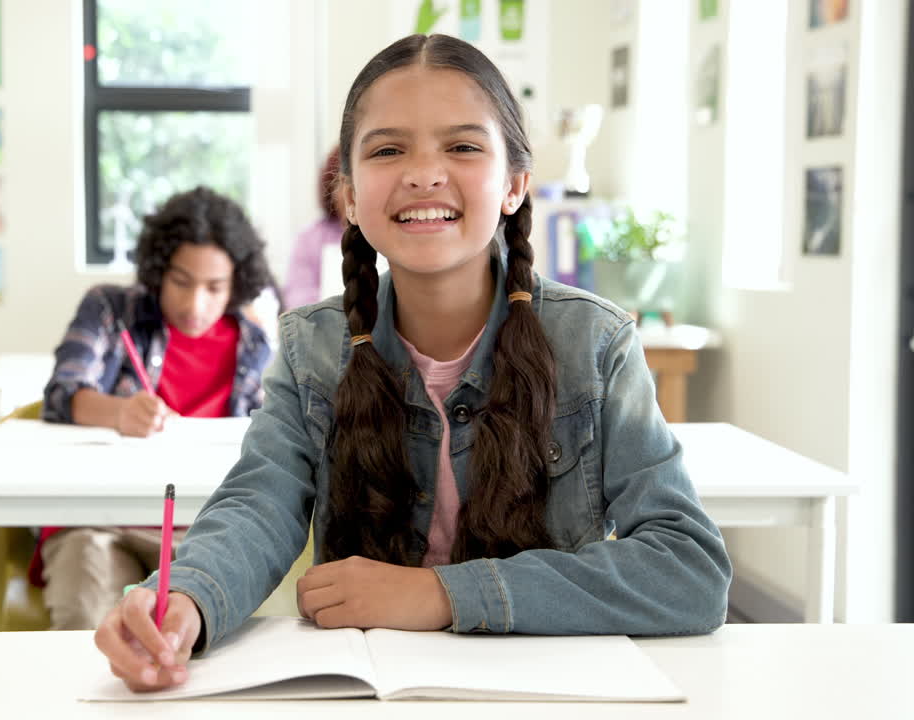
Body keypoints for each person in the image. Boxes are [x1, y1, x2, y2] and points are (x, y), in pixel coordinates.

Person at [95, 34, 732, 691]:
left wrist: (441, 594)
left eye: (461, 146)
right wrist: (186, 600)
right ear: (345, 193)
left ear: (515, 183)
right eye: (388, 148)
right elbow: (259, 504)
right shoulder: (315, 349)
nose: (424, 173)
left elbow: (687, 570)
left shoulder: (594, 344)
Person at [34, 186, 277, 630]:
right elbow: (60, 394)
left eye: (214, 288)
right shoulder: (112, 308)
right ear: (159, 270)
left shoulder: (254, 342)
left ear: (237, 285)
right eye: (181, 282)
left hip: (201, 525)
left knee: (208, 630)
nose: (194, 304)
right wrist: (118, 413)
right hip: (99, 517)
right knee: (88, 620)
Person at [281, 147, 344, 309]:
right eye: (342, 183)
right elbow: (297, 298)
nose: (350, 193)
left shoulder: (389, 234)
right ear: (330, 189)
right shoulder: (310, 239)